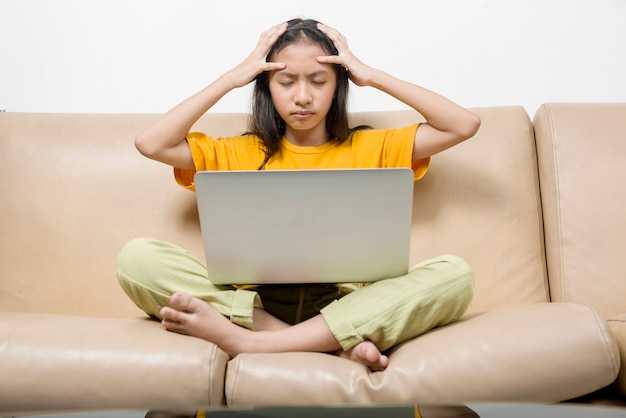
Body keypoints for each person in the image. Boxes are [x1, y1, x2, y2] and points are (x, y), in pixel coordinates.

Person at [116, 18, 480, 372]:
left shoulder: (376, 146)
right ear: (266, 87)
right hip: (253, 301)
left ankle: (255, 343)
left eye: (319, 81)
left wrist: (370, 74)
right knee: (137, 259)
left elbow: (463, 124)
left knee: (455, 275)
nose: (302, 97)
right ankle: (326, 345)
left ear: (338, 85)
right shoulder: (234, 153)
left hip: (347, 301)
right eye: (286, 81)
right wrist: (232, 78)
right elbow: (151, 143)